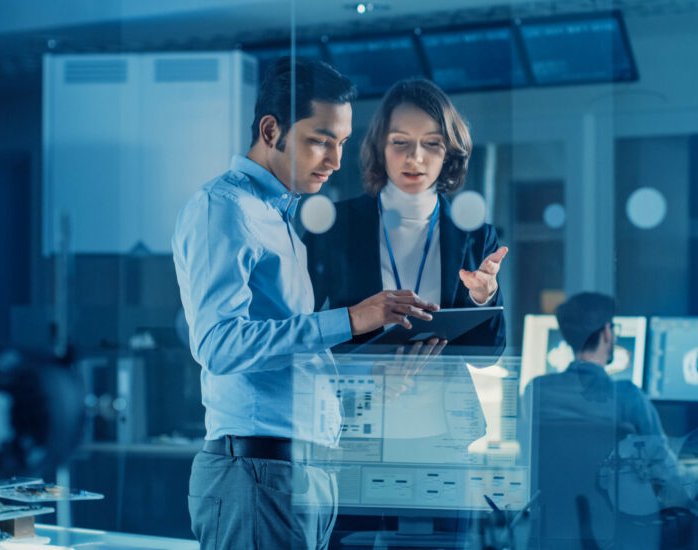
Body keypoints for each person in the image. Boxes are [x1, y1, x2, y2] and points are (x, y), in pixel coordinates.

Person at [172, 58, 440, 549]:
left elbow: (287, 365)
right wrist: (353, 319)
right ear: (271, 130)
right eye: (320, 139)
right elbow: (218, 344)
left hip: (298, 474)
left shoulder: (279, 220)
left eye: (341, 142)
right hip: (256, 474)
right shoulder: (224, 208)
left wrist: (368, 391)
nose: (335, 160)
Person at [520, 292, 698, 549]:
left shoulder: (536, 391)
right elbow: (676, 486)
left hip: (552, 539)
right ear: (607, 333)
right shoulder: (627, 397)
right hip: (619, 539)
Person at [305, 78, 508, 354]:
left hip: (443, 396)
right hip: (361, 393)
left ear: (448, 153)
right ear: (381, 148)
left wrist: (484, 297)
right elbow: (298, 331)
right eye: (400, 142)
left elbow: (488, 355)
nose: (415, 157)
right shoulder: (336, 226)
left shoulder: (476, 236)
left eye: (432, 144)